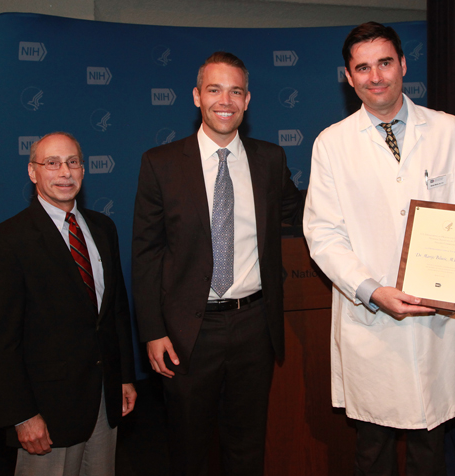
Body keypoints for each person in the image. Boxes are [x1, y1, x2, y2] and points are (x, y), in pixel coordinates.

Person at [303, 22, 455, 475]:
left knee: (430, 447)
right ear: (349, 77)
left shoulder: (449, 130)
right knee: (372, 449)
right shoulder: (332, 145)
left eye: (385, 63)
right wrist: (372, 290)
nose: (376, 76)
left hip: (438, 315)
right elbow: (323, 234)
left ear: (403, 65)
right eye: (363, 67)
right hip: (372, 318)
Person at [132, 51, 302, 475]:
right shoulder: (161, 164)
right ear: (196, 96)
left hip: (254, 327)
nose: (224, 100)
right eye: (214, 90)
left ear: (247, 100)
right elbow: (146, 253)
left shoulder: (270, 160)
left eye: (235, 91)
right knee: (188, 450)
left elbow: (306, 213)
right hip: (189, 332)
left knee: (246, 448)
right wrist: (152, 331)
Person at [0, 131, 137, 475]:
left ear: (83, 170)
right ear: (33, 172)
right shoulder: (5, 243)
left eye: (73, 162)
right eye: (52, 163)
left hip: (104, 402)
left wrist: (123, 376)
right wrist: (21, 415)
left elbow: (115, 312)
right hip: (47, 413)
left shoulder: (103, 227)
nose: (64, 172)